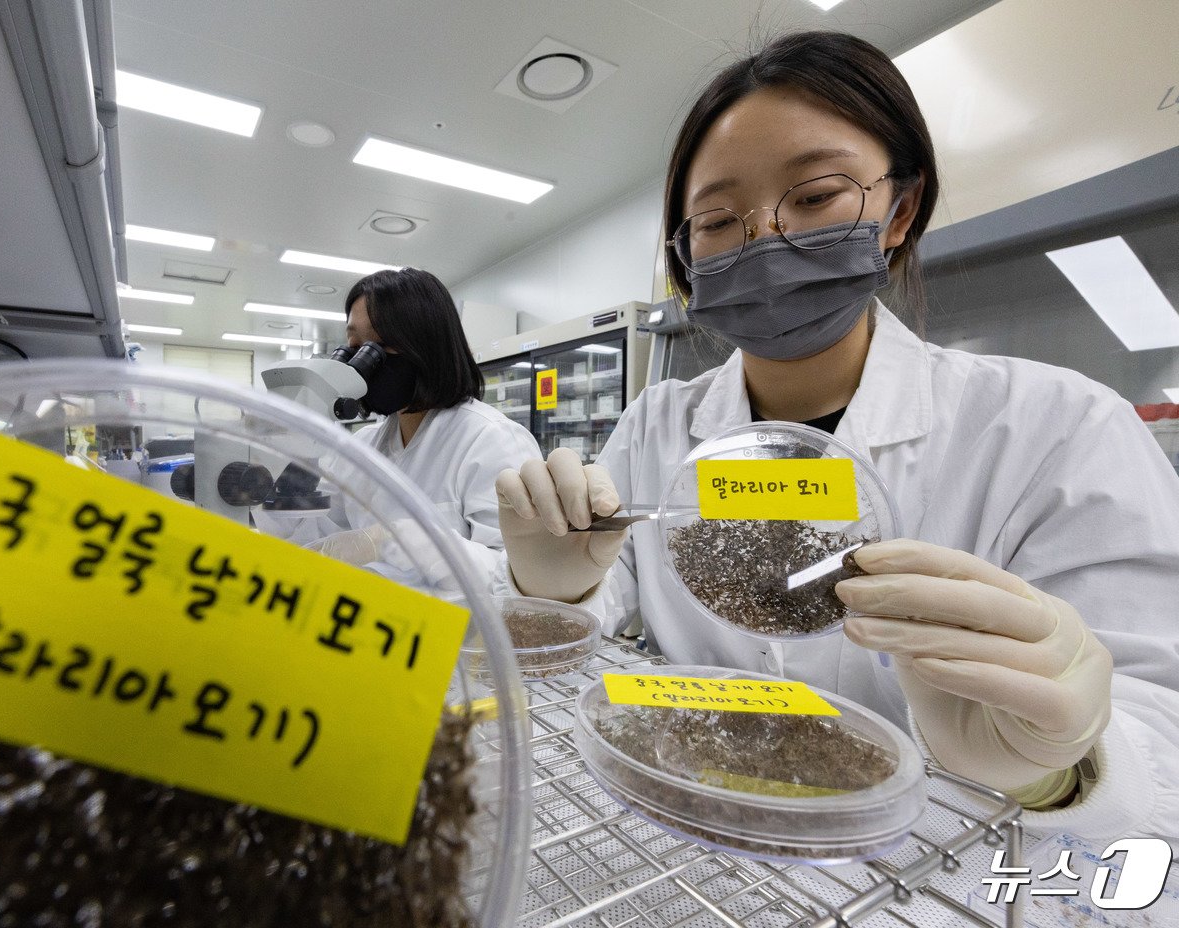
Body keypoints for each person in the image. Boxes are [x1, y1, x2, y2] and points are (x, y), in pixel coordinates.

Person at [495, 31, 1179, 839]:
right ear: (687, 254)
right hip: (694, 826)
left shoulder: (1059, 430)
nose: (764, 240)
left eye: (815, 197)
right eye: (717, 220)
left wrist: (1059, 769)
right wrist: (554, 587)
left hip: (947, 873)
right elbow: (604, 615)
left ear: (900, 209)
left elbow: (1156, 731)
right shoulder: (658, 422)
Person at [267, 267, 540, 589]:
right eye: (354, 346)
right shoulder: (365, 444)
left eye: (382, 345)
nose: (363, 362)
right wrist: (281, 470)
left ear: (426, 346)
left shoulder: (490, 439)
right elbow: (313, 540)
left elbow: (521, 577)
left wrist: (402, 544)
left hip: (461, 636)